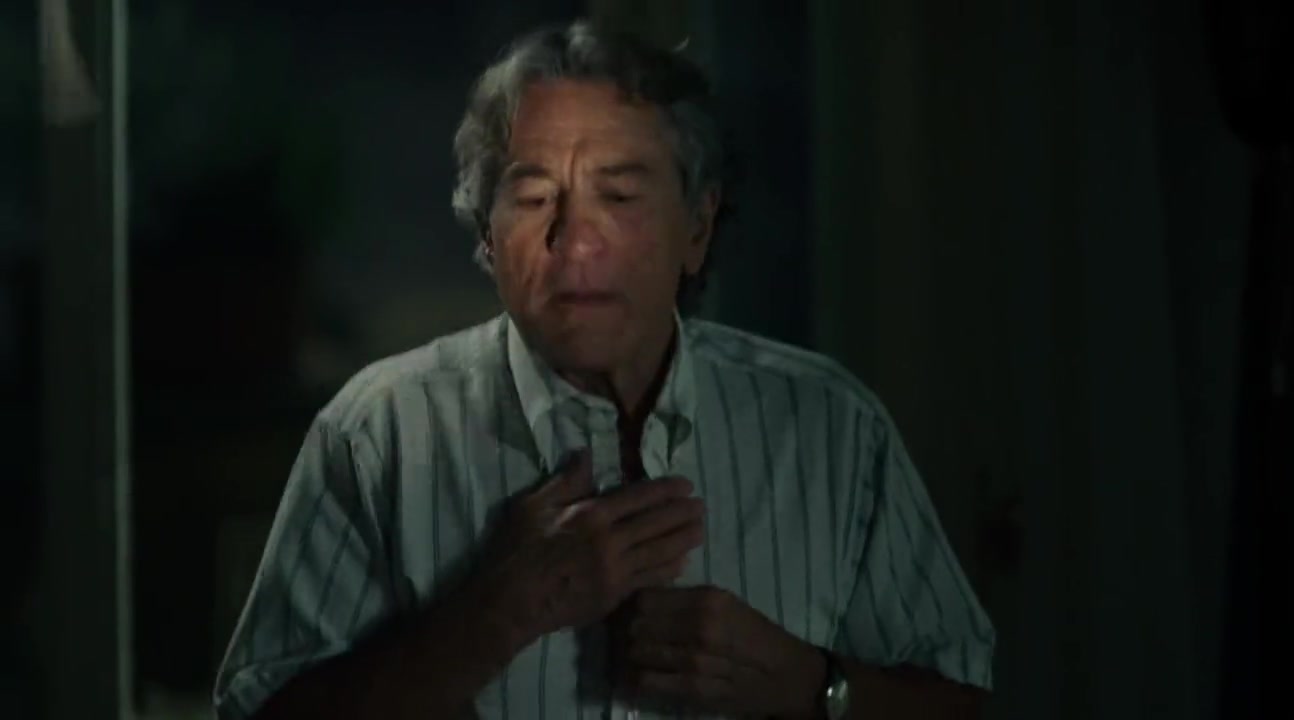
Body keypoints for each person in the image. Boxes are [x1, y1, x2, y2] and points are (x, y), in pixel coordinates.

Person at [214, 19, 995, 720]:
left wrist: (807, 685)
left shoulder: (831, 428)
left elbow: (960, 701)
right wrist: (494, 616)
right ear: (486, 236)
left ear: (697, 227)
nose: (577, 242)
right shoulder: (376, 435)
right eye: (533, 199)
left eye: (618, 197)